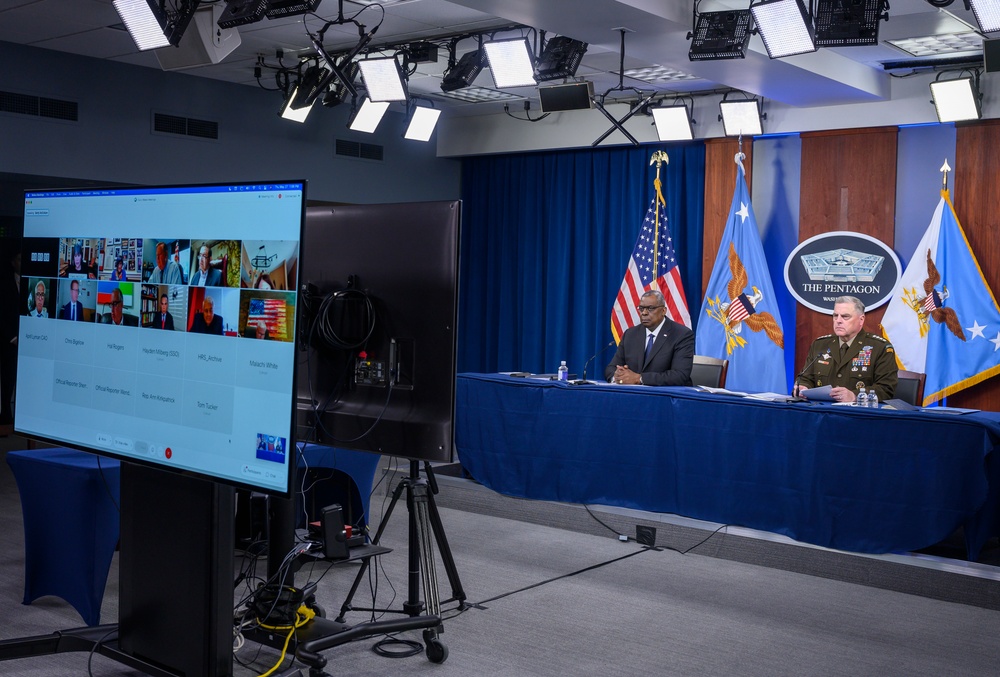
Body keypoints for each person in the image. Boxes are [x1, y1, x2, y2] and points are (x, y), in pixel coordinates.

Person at [794, 295, 897, 403]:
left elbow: (886, 388)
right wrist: (803, 388)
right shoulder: (820, 345)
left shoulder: (880, 347)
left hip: (858, 415)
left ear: (861, 320)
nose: (838, 321)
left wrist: (854, 396)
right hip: (822, 413)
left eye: (845, 316)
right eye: (835, 316)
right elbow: (806, 378)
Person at [605, 289, 694, 386]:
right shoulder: (630, 334)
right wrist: (618, 376)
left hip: (665, 396)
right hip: (633, 395)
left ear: (663, 311)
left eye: (650, 308)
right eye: (641, 308)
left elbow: (680, 375)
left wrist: (639, 378)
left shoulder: (681, 334)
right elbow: (611, 368)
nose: (644, 313)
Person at [0, 245, 20, 424]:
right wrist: (12, 337)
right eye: (19, 259)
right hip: (9, 342)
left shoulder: (30, 282)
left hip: (29, 340)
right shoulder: (5, 284)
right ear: (13, 263)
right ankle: (6, 414)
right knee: (7, 380)